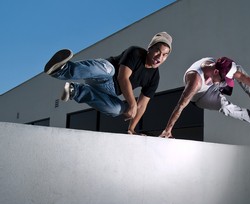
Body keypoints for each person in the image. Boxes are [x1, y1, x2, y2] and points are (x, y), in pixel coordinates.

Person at [44, 32, 173, 134]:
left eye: (164, 55)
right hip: (101, 75)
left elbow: (141, 106)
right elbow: (123, 77)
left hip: (110, 92)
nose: (159, 57)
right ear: (149, 48)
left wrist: (131, 128)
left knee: (118, 109)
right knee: (110, 69)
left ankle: (75, 91)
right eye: (157, 51)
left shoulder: (154, 78)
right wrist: (132, 103)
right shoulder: (135, 52)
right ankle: (61, 70)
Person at [159, 56, 250, 138]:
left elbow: (243, 77)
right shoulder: (195, 81)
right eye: (224, 79)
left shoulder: (218, 68)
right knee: (223, 105)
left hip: (213, 83)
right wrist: (168, 129)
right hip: (202, 96)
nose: (227, 82)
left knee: (237, 70)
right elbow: (180, 106)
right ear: (215, 72)